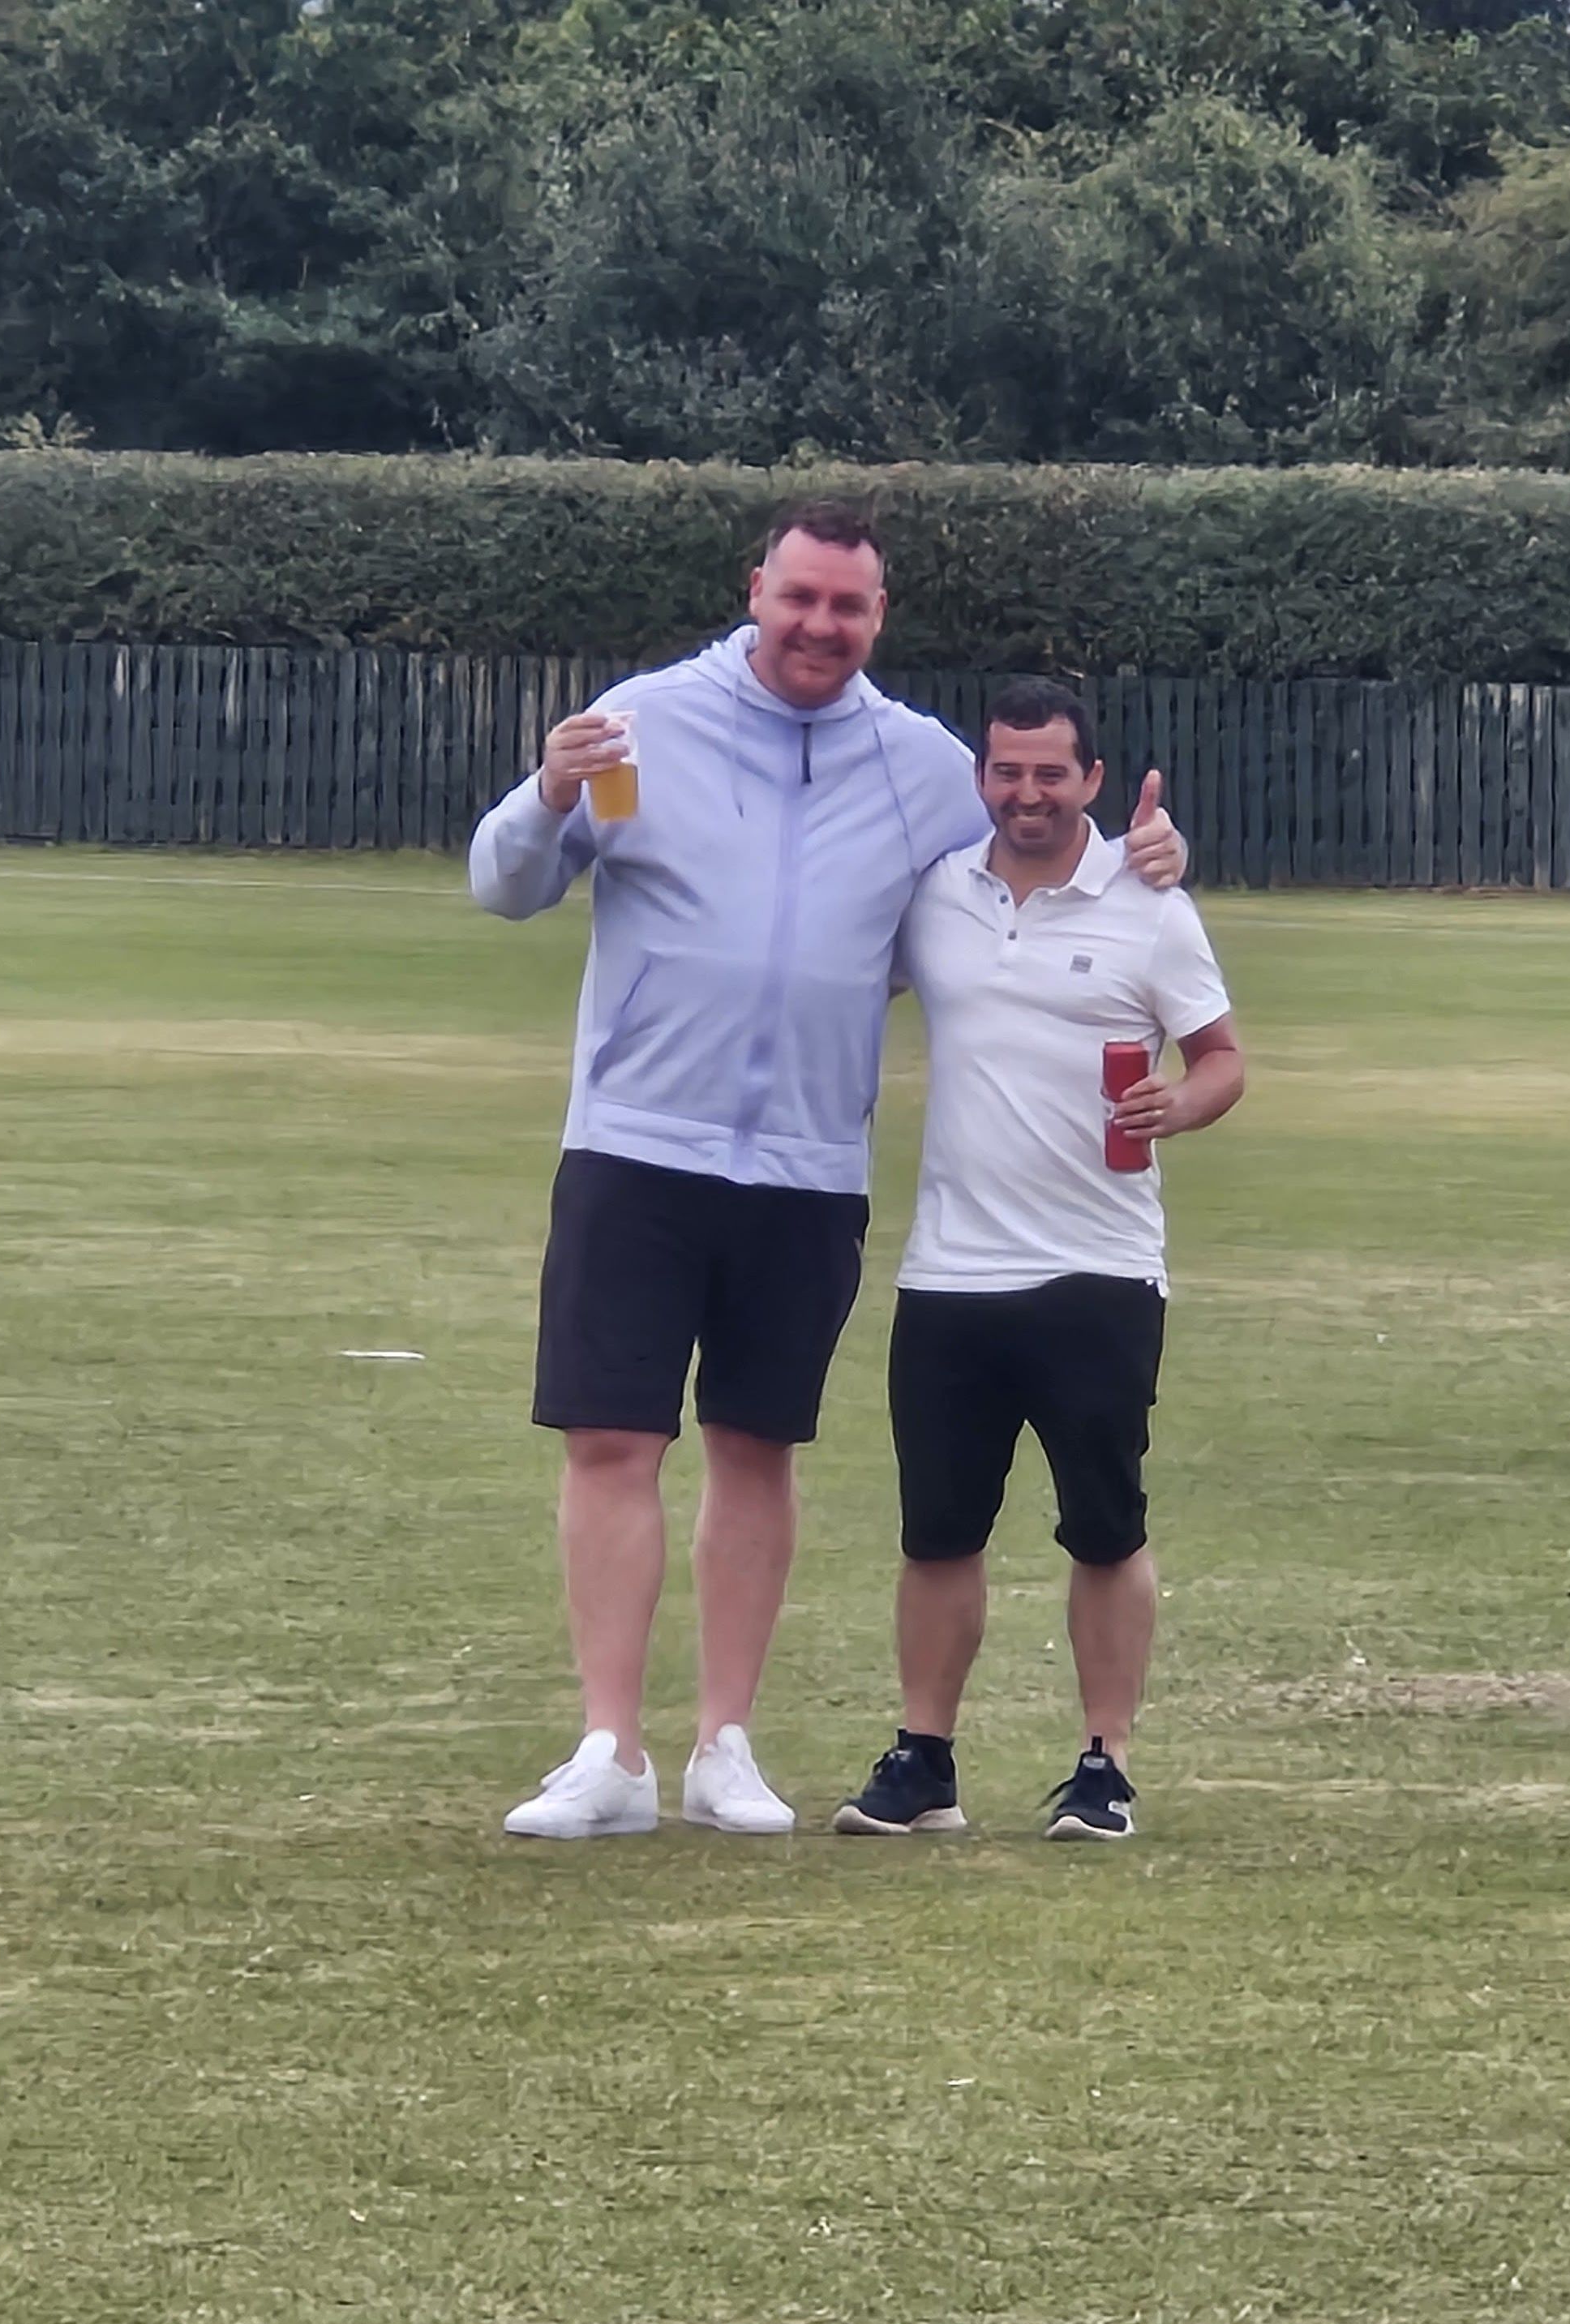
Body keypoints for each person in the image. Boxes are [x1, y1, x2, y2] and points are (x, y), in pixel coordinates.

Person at [469, 508, 1187, 1840]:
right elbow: (506, 887)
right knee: (614, 1438)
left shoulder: (921, 764)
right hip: (635, 1140)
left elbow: (1022, 871)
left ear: (879, 617)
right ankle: (608, 1749)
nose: (820, 626)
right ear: (757, 590)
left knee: (756, 1444)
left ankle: (723, 1746)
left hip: (807, 1163)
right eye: (799, 598)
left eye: (848, 608)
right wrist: (547, 790)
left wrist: (1150, 864)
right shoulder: (644, 721)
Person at [834, 676, 1244, 1844]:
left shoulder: (1149, 902)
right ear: (983, 779)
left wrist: (1183, 1103)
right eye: (1007, 772)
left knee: (1104, 1525)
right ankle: (925, 1760)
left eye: (1050, 774)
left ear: (1093, 782)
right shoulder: (936, 895)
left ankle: (1105, 1765)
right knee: (937, 1530)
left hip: (1099, 1270)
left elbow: (1222, 1057)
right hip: (949, 1272)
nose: (1026, 794)